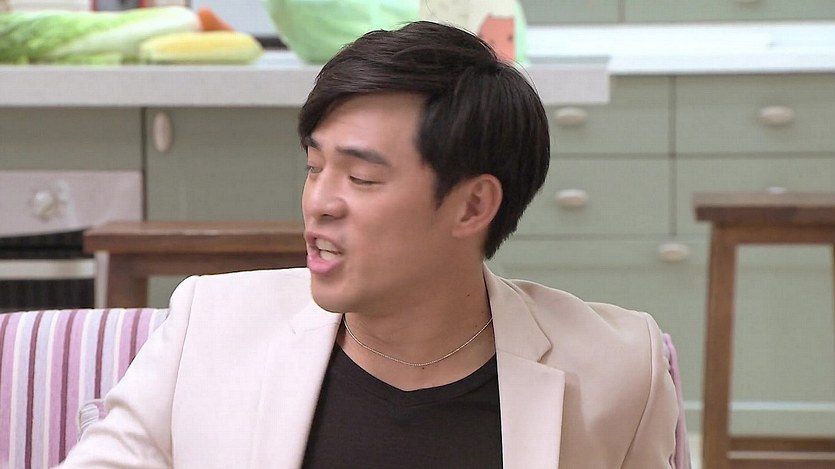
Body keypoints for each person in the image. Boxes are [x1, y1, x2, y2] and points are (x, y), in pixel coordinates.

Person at [59, 21, 680, 468]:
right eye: (313, 167)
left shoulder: (617, 367)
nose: (320, 202)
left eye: (360, 178)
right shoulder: (211, 325)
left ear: (473, 206)